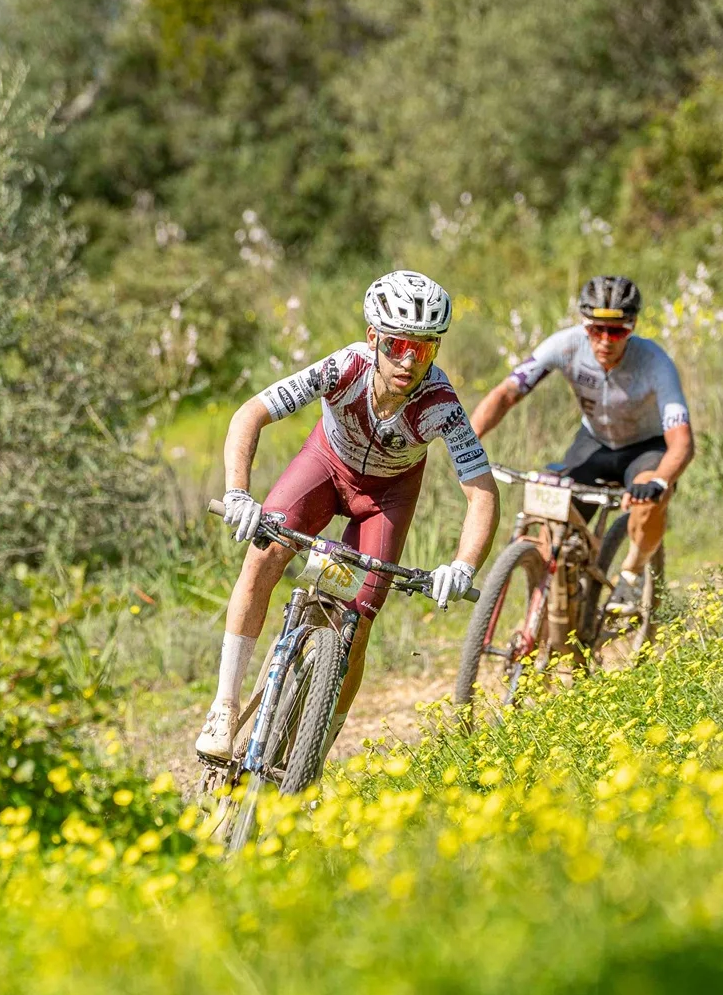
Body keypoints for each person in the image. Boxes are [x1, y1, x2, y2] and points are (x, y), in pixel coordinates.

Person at [196, 270, 500, 762]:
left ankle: (313, 750)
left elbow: (482, 492)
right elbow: (249, 413)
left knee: (357, 624)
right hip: (324, 467)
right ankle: (224, 706)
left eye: (422, 350)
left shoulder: (441, 405)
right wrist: (237, 493)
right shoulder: (344, 368)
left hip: (387, 498)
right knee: (264, 554)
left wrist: (463, 565)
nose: (408, 360)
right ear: (374, 337)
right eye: (398, 344)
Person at [467, 275, 693, 613]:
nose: (605, 340)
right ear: (584, 325)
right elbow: (506, 393)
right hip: (595, 443)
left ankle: (632, 573)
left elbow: (682, 442)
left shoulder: (654, 362)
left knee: (649, 498)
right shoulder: (565, 345)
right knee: (549, 519)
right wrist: (467, 442)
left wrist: (662, 480)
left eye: (617, 331)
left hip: (645, 447)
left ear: (632, 327)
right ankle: (557, 603)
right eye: (595, 330)